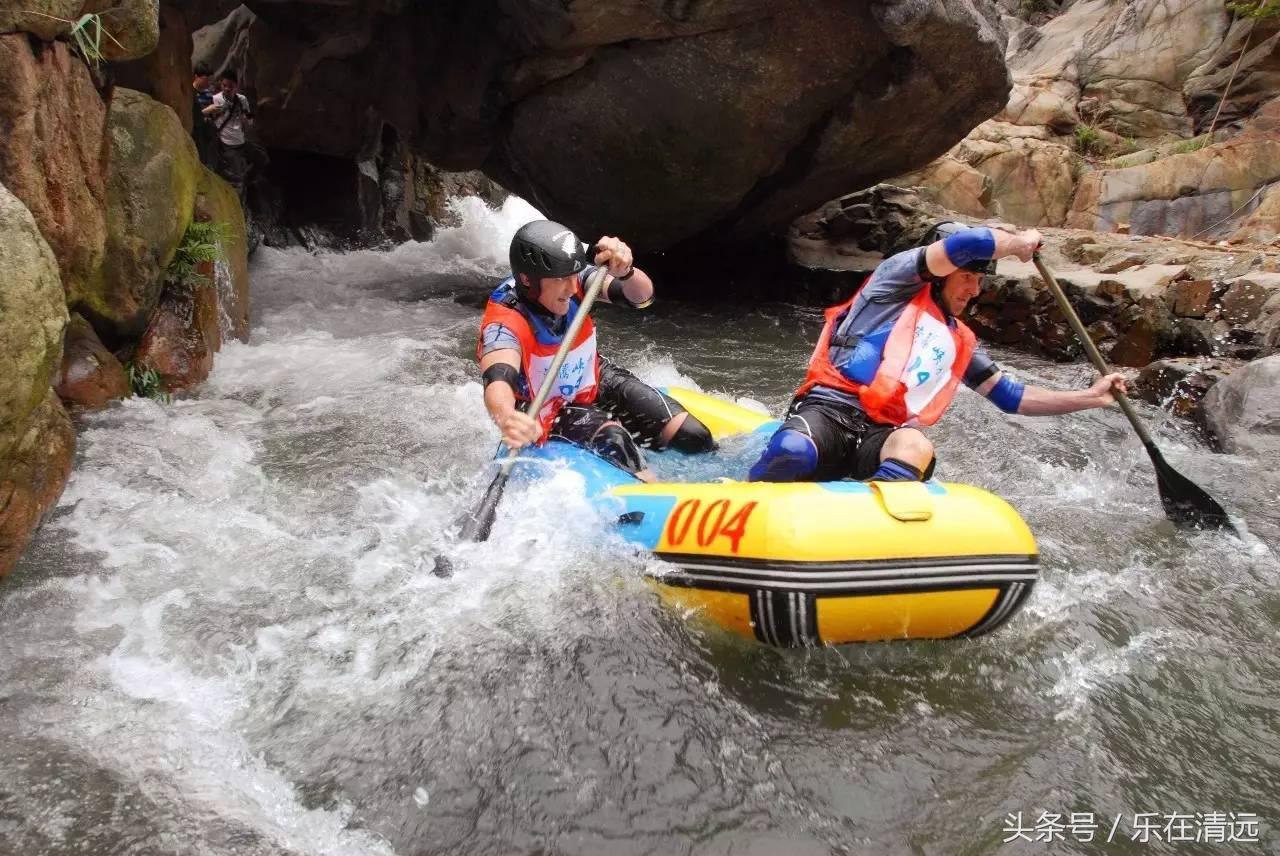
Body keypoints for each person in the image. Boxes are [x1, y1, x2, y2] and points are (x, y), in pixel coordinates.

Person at [748, 221, 1127, 483]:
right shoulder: (891, 284)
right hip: (827, 412)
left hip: (879, 433)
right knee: (793, 450)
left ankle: (864, 531)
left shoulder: (956, 339)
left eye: (979, 280)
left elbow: (1012, 398)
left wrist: (1090, 397)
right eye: (967, 277)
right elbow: (968, 245)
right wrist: (1016, 243)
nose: (974, 290)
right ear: (941, 272)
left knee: (915, 446)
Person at [477, 220, 716, 482]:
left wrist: (626, 271)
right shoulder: (505, 322)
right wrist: (507, 417)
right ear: (526, 279)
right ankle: (654, 491)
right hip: (546, 405)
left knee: (694, 436)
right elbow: (498, 380)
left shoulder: (574, 278)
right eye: (560, 280)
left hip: (592, 377)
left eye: (572, 276)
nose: (571, 288)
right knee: (617, 441)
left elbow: (641, 298)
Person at [202, 69, 254, 197]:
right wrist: (213, 113)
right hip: (224, 142)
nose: (226, 89)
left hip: (240, 141)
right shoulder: (215, 99)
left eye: (230, 86)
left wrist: (246, 121)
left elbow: (250, 119)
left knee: (260, 160)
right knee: (235, 177)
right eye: (224, 85)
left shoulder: (242, 100)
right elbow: (205, 119)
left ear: (236, 86)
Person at [191, 63, 218, 169]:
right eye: (205, 79)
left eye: (209, 80)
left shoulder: (209, 94)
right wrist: (206, 111)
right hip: (196, 134)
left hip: (208, 135)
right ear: (196, 77)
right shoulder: (190, 93)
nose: (208, 83)